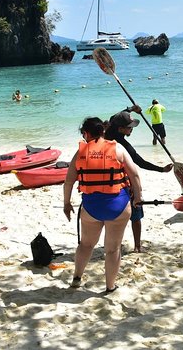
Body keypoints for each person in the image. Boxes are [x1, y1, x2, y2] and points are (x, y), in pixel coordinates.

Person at [63, 116, 143, 293]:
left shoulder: (80, 152)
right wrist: (138, 196)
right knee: (112, 249)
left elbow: (68, 181)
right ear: (103, 131)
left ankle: (77, 278)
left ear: (86, 133)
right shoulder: (118, 148)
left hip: (92, 208)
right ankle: (109, 286)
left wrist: (67, 203)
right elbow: (134, 175)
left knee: (85, 245)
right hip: (119, 207)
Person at [104, 106, 173, 252]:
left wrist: (129, 109)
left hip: (108, 182)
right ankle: (137, 246)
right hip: (123, 183)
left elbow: (115, 116)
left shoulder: (108, 134)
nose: (132, 129)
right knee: (136, 213)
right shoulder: (122, 145)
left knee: (112, 218)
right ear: (121, 129)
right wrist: (161, 169)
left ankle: (114, 244)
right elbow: (140, 162)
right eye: (129, 127)